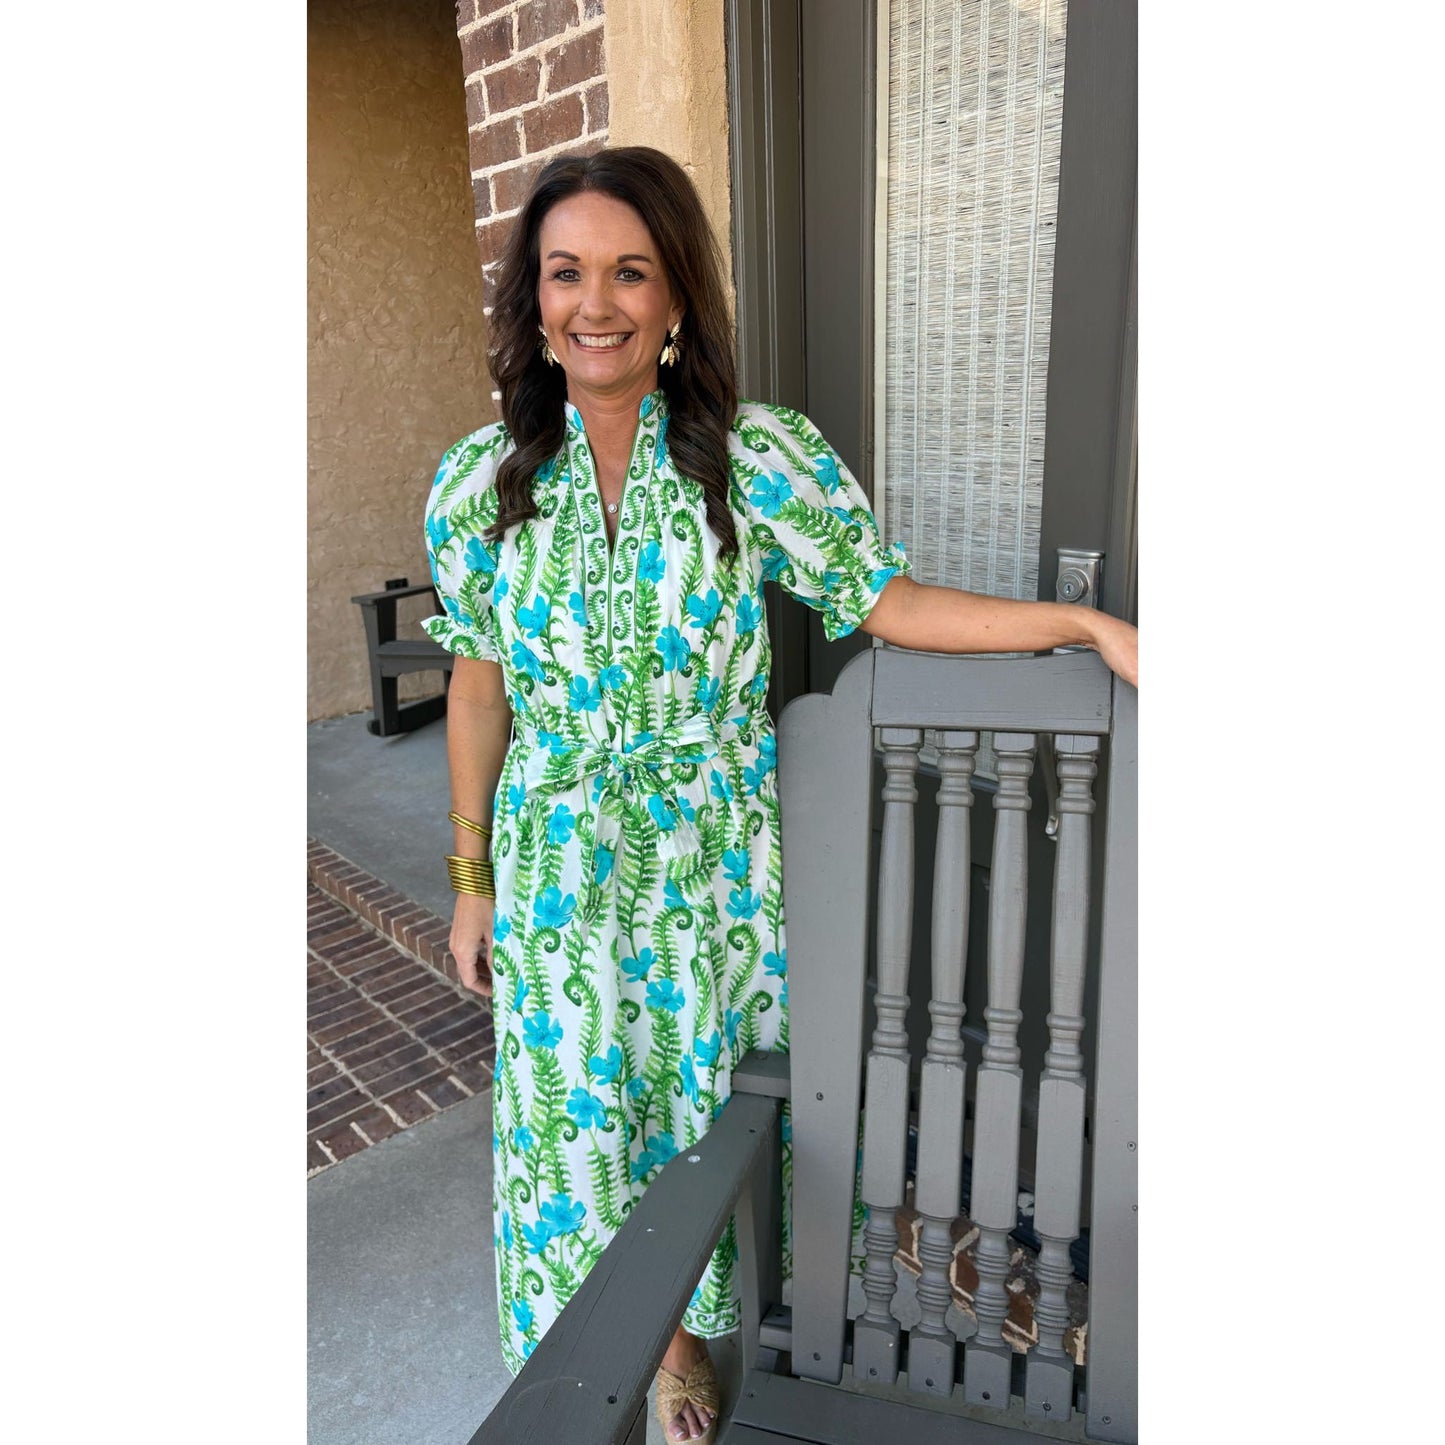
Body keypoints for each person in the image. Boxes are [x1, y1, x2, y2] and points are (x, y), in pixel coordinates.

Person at [423, 145, 1138, 1444]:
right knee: (583, 1118)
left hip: (715, 856)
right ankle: (666, 1348)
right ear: (533, 299)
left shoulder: (751, 458)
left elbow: (885, 599)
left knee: (717, 1111)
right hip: (559, 862)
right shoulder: (482, 482)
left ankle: (724, 1318)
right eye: (566, 273)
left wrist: (1078, 626)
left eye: (630, 271)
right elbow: (480, 688)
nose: (596, 303)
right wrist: (471, 881)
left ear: (675, 296)